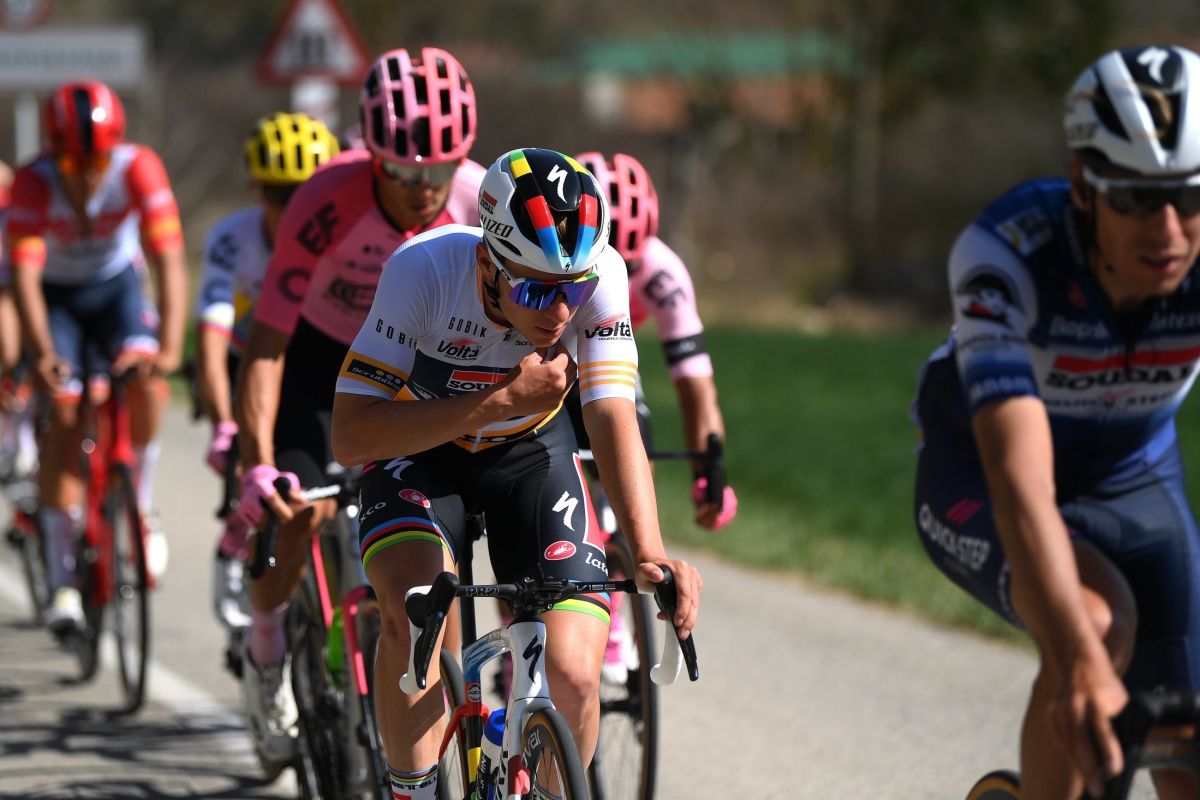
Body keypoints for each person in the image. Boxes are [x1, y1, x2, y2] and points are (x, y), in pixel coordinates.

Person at [331, 147, 703, 800]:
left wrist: (649, 551)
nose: (558, 312)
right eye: (534, 289)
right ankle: (413, 791)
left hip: (530, 455)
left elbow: (611, 414)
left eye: (573, 290)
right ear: (487, 263)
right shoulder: (424, 271)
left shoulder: (603, 274)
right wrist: (499, 401)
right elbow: (351, 433)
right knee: (412, 617)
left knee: (577, 674)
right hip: (422, 454)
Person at [912, 44, 1200, 800]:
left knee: (1186, 730)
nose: (1170, 229)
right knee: (1096, 631)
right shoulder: (1006, 252)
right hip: (982, 478)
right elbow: (1021, 483)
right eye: (1136, 198)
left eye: (1190, 196)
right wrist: (1080, 664)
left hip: (1136, 480)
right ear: (1083, 186)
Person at [233, 46, 483, 769]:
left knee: (441, 554)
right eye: (403, 171)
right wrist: (256, 465)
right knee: (296, 510)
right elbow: (268, 344)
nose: (423, 189)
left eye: (439, 171)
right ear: (372, 154)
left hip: (421, 372)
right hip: (322, 364)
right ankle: (266, 651)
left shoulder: (477, 200)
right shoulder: (325, 201)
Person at [8, 79, 187, 632]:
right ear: (53, 154)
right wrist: (41, 353)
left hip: (116, 291)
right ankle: (62, 578)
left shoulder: (138, 168)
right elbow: (25, 279)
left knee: (146, 379)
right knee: (64, 412)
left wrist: (171, 346)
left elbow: (169, 259)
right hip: (58, 300)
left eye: (98, 161)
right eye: (73, 162)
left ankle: (142, 504)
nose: (87, 174)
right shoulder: (33, 183)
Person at [194, 111, 340, 631]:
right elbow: (211, 340)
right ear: (256, 191)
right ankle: (244, 534)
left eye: (308, 193)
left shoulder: (344, 236)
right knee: (266, 473)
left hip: (316, 359)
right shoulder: (233, 239)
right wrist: (224, 426)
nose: (296, 207)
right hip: (248, 356)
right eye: (282, 195)